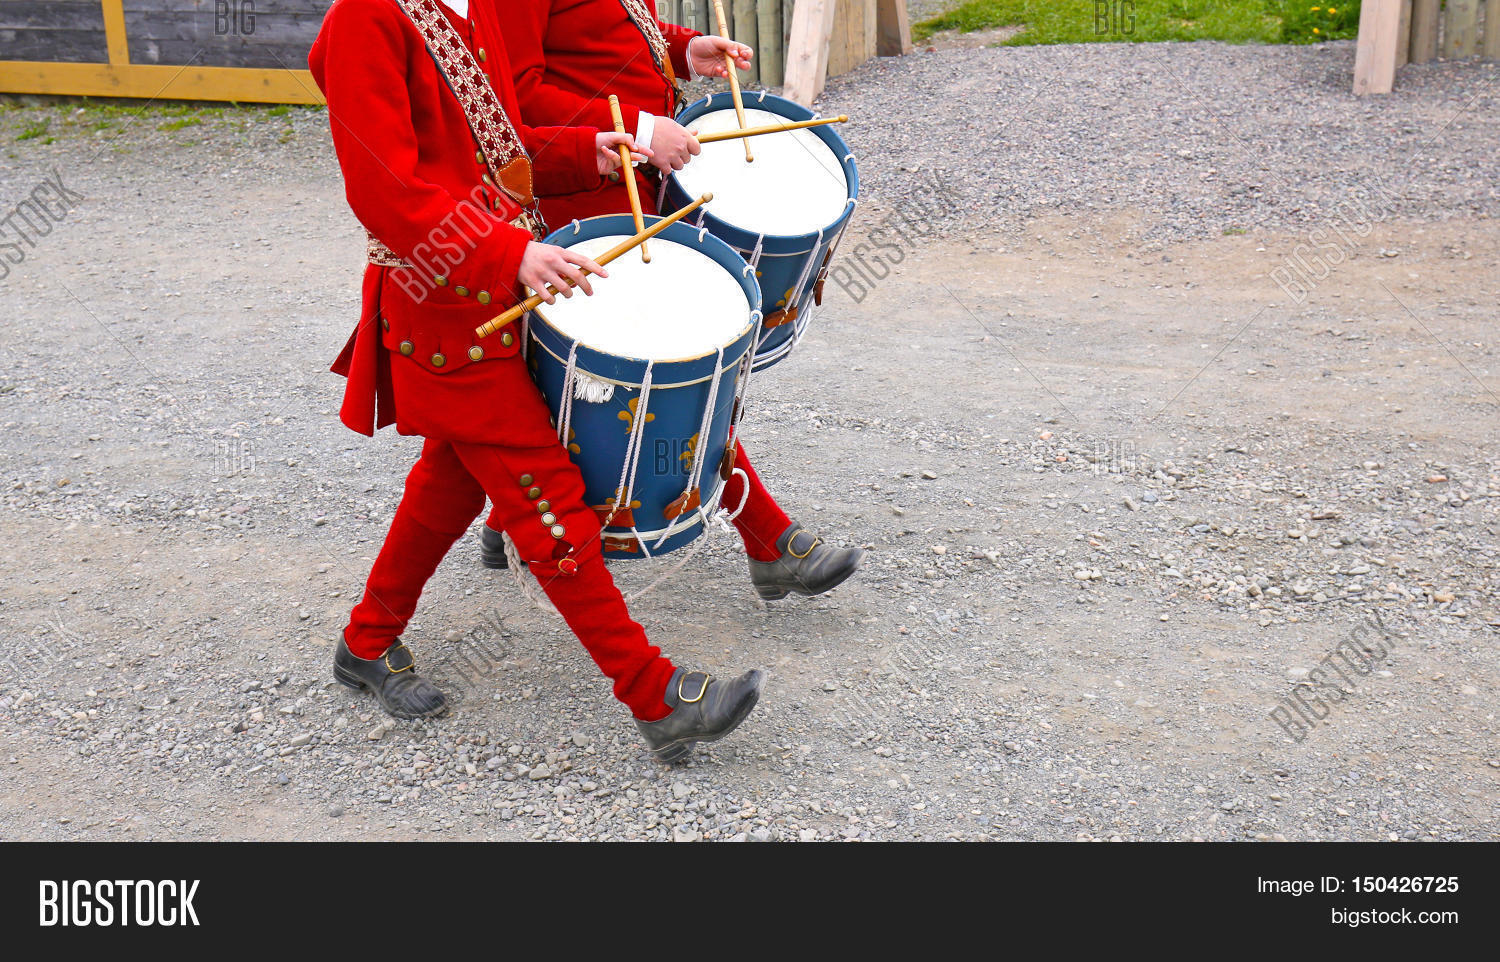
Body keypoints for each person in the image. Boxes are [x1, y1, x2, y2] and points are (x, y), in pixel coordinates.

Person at [308, 0, 763, 762]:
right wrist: (505, 253)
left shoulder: (467, 4)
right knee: (547, 497)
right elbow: (384, 189)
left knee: (453, 477)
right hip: (438, 304)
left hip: (495, 290)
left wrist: (586, 149)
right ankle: (654, 695)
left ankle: (366, 640)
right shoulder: (365, 19)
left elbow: (502, 147)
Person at [483, 0, 864, 601]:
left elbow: (605, 29)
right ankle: (768, 539)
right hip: (575, 205)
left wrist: (682, 48)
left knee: (530, 389)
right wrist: (637, 129)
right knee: (670, 376)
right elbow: (513, 98)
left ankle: (505, 516)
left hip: (634, 181)